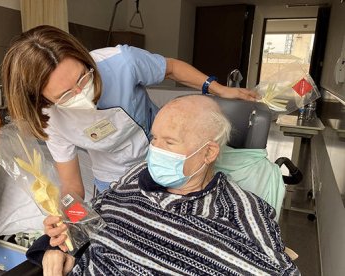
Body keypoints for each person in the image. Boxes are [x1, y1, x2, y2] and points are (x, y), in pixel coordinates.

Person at [26, 95, 299, 276]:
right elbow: (91, 218)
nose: (155, 150)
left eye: (169, 142)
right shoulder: (136, 176)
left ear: (208, 153)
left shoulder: (240, 211)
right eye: (154, 138)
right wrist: (61, 244)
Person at [2, 25, 258, 200]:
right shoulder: (49, 120)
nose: (83, 93)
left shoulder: (121, 63)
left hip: (164, 160)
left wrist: (218, 89)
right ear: (41, 99)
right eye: (66, 95)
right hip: (111, 179)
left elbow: (170, 69)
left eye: (83, 77)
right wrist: (67, 215)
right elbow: (72, 187)